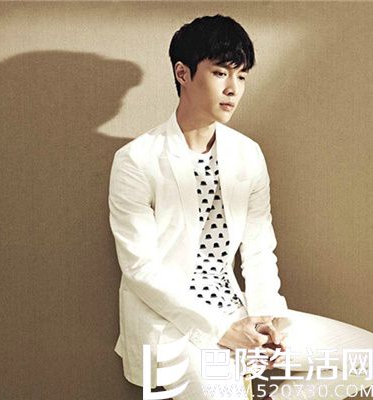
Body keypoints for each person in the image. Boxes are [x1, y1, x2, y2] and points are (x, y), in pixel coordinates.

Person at [108, 14, 373, 400]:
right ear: (183, 73)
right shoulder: (136, 160)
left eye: (242, 76)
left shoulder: (247, 155)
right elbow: (140, 270)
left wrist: (266, 320)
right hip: (176, 329)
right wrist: (221, 330)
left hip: (240, 312)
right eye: (220, 73)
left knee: (366, 357)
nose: (233, 89)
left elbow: (259, 249)